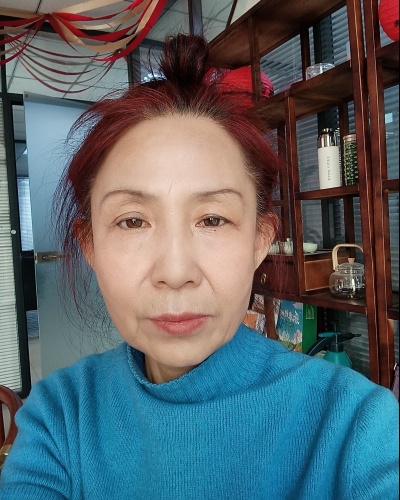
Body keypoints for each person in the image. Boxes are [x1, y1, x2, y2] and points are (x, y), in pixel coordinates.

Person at [0, 34, 398, 499]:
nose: (175, 271)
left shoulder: (355, 426)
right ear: (90, 246)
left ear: (260, 240)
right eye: (132, 221)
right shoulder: (59, 419)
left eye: (212, 219)